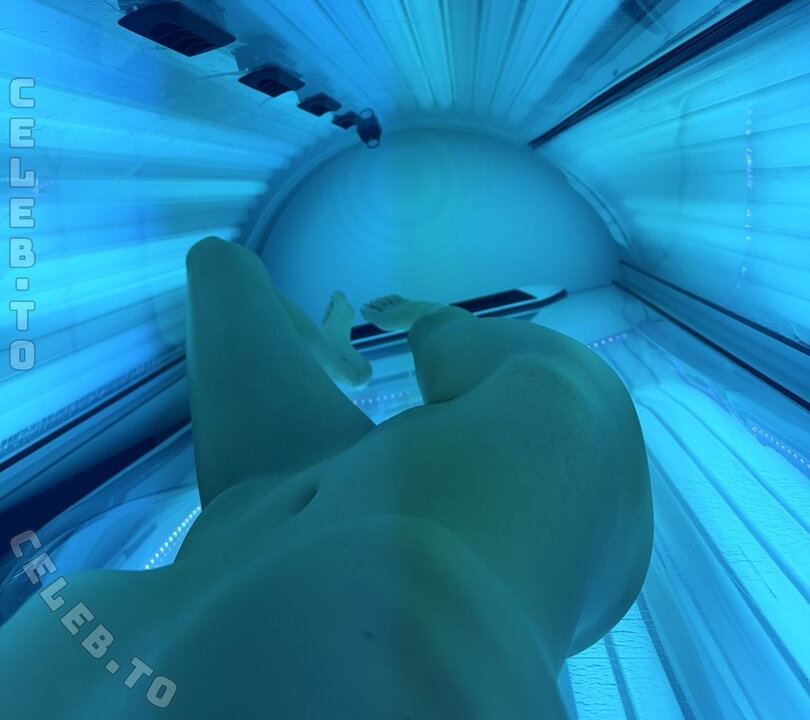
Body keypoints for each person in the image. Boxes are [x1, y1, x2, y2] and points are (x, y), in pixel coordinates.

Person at [0, 237, 653, 718]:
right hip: (493, 467)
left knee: (219, 264)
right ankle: (411, 328)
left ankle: (358, 354)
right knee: (220, 263)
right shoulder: (562, 420)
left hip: (254, 507)